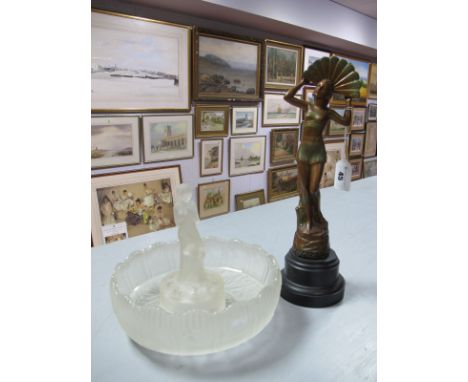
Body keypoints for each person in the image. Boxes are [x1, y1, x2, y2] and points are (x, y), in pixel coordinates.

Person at [283, 56, 359, 255]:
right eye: (317, 87)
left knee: (314, 188)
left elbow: (345, 122)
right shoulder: (307, 106)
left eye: (322, 88)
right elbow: (287, 97)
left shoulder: (328, 112)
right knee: (303, 189)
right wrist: (302, 82)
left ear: (326, 94)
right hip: (304, 152)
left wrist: (349, 102)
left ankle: (315, 218)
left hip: (317, 152)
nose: (318, 89)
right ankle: (307, 222)